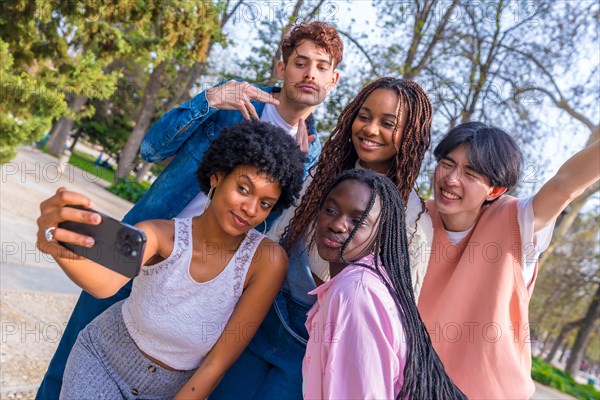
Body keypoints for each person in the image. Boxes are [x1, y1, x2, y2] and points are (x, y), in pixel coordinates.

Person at [35, 21, 343, 399]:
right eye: (301, 62)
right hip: (146, 243)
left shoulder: (309, 153)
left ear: (333, 81)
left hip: (197, 283)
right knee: (68, 364)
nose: (310, 73)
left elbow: (268, 226)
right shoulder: (230, 104)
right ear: (282, 69)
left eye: (322, 66)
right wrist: (208, 100)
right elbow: (151, 151)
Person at [36, 121, 305, 399]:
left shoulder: (268, 262)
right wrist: (55, 245)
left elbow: (217, 364)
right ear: (217, 176)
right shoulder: (158, 234)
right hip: (102, 362)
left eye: (265, 204)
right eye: (244, 189)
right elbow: (105, 285)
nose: (250, 209)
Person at [211, 77, 434, 398]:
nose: (371, 129)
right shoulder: (322, 174)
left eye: (388, 123)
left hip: (321, 340)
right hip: (267, 312)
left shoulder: (413, 219)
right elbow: (275, 240)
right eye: (364, 116)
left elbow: (395, 312)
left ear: (411, 135)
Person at [418, 122, 600, 398]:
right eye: (447, 164)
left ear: (495, 190)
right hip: (415, 385)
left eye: (470, 173)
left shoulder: (518, 221)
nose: (451, 179)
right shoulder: (415, 218)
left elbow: (564, 185)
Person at [303, 169, 466, 399]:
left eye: (358, 220)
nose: (337, 224)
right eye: (331, 210)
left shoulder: (356, 292)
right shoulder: (361, 283)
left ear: (381, 234)